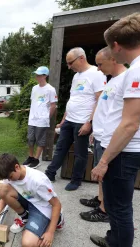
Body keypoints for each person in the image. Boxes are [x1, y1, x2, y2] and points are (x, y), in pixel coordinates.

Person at [85, 13, 140, 247]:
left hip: (125, 151)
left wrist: (103, 161)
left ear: (117, 46)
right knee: (114, 203)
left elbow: (129, 125)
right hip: (125, 149)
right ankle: (114, 240)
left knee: (120, 208)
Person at [44, 47, 106, 191]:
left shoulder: (96, 74)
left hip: (82, 122)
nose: (69, 66)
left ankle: (76, 180)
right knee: (60, 148)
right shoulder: (76, 76)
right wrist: (64, 119)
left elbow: (100, 101)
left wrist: (89, 123)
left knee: (80, 153)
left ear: (82, 58)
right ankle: (50, 173)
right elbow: (73, 99)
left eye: (71, 62)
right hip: (70, 120)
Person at [79, 47, 126, 223]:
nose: (98, 68)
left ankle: (105, 211)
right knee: (101, 176)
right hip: (100, 136)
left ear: (113, 59)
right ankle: (100, 201)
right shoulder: (111, 80)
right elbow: (105, 110)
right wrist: (95, 130)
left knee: (106, 176)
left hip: (110, 140)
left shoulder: (125, 80)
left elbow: (123, 118)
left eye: (100, 64)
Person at [0, 153, 64, 247]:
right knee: (3, 189)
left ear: (16, 167)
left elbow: (56, 204)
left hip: (42, 208)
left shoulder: (38, 181)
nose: (9, 180)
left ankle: (57, 220)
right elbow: (4, 194)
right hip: (28, 199)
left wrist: (50, 232)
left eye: (10, 177)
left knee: (28, 244)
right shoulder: (11, 174)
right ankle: (25, 217)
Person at [22, 66, 57, 169]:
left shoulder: (50, 89)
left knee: (40, 140)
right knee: (30, 138)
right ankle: (31, 157)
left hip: (42, 120)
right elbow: (34, 102)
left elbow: (53, 105)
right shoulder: (34, 88)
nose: (37, 76)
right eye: (36, 75)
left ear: (45, 76)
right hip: (32, 119)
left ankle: (37, 159)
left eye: (39, 75)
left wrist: (46, 117)